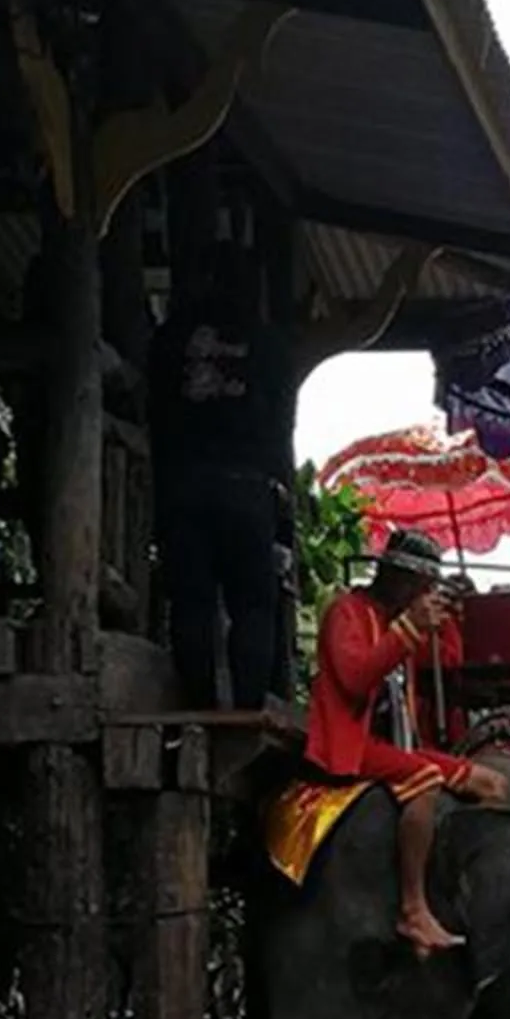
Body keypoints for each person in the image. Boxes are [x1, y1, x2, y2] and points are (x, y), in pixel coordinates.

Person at [304, 527, 506, 956]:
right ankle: (413, 908)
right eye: (422, 585)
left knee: (490, 783)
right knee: (427, 778)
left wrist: (453, 617)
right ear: (396, 577)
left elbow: (446, 662)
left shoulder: (398, 620)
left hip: (399, 743)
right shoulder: (347, 611)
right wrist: (409, 628)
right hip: (352, 745)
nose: (424, 591)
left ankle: (450, 889)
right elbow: (356, 679)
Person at [149, 244, 297, 709]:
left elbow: (152, 407)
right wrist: (283, 510)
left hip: (183, 483)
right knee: (253, 603)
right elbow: (280, 427)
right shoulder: (270, 343)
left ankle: (197, 704)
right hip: (248, 487)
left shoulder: (172, 337)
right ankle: (249, 707)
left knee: (192, 601)